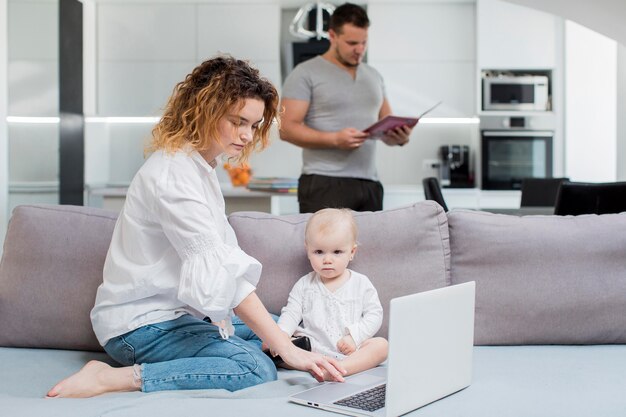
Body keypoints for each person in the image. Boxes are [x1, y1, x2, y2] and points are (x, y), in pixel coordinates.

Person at [46, 56, 346, 399]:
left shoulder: (201, 167)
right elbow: (223, 274)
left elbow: (219, 271)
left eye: (255, 124)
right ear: (206, 110)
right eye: (239, 122)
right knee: (255, 367)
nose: (248, 135)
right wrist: (287, 351)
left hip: (181, 317)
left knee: (284, 327)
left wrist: (282, 339)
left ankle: (266, 348)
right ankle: (111, 377)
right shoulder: (172, 174)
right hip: (140, 326)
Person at [280, 3, 414, 213]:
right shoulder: (304, 73)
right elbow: (286, 129)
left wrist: (399, 137)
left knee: (371, 246)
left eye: (364, 42)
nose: (359, 49)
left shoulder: (374, 76)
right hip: (324, 182)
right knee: (324, 246)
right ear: (332, 35)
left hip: (370, 183)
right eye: (352, 43)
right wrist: (334, 140)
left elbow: (386, 123)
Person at [275, 208, 388, 380]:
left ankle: (339, 369)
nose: (327, 260)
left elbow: (374, 314)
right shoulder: (304, 285)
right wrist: (281, 336)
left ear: (352, 252)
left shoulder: (360, 283)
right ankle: (317, 366)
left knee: (381, 346)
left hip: (350, 351)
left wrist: (354, 337)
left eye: (337, 252)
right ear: (308, 250)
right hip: (312, 350)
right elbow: (291, 313)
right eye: (319, 252)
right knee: (274, 347)